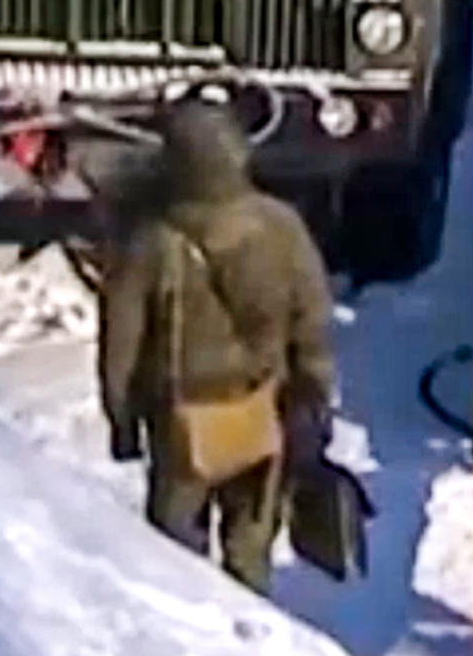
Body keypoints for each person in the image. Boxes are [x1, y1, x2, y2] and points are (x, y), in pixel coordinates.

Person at [95, 99, 338, 590]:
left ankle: (187, 655)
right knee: (250, 547)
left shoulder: (149, 239)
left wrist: (123, 421)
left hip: (180, 421)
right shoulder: (280, 226)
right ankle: (250, 641)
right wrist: (312, 392)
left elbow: (119, 344)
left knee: (175, 562)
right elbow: (312, 318)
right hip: (260, 407)